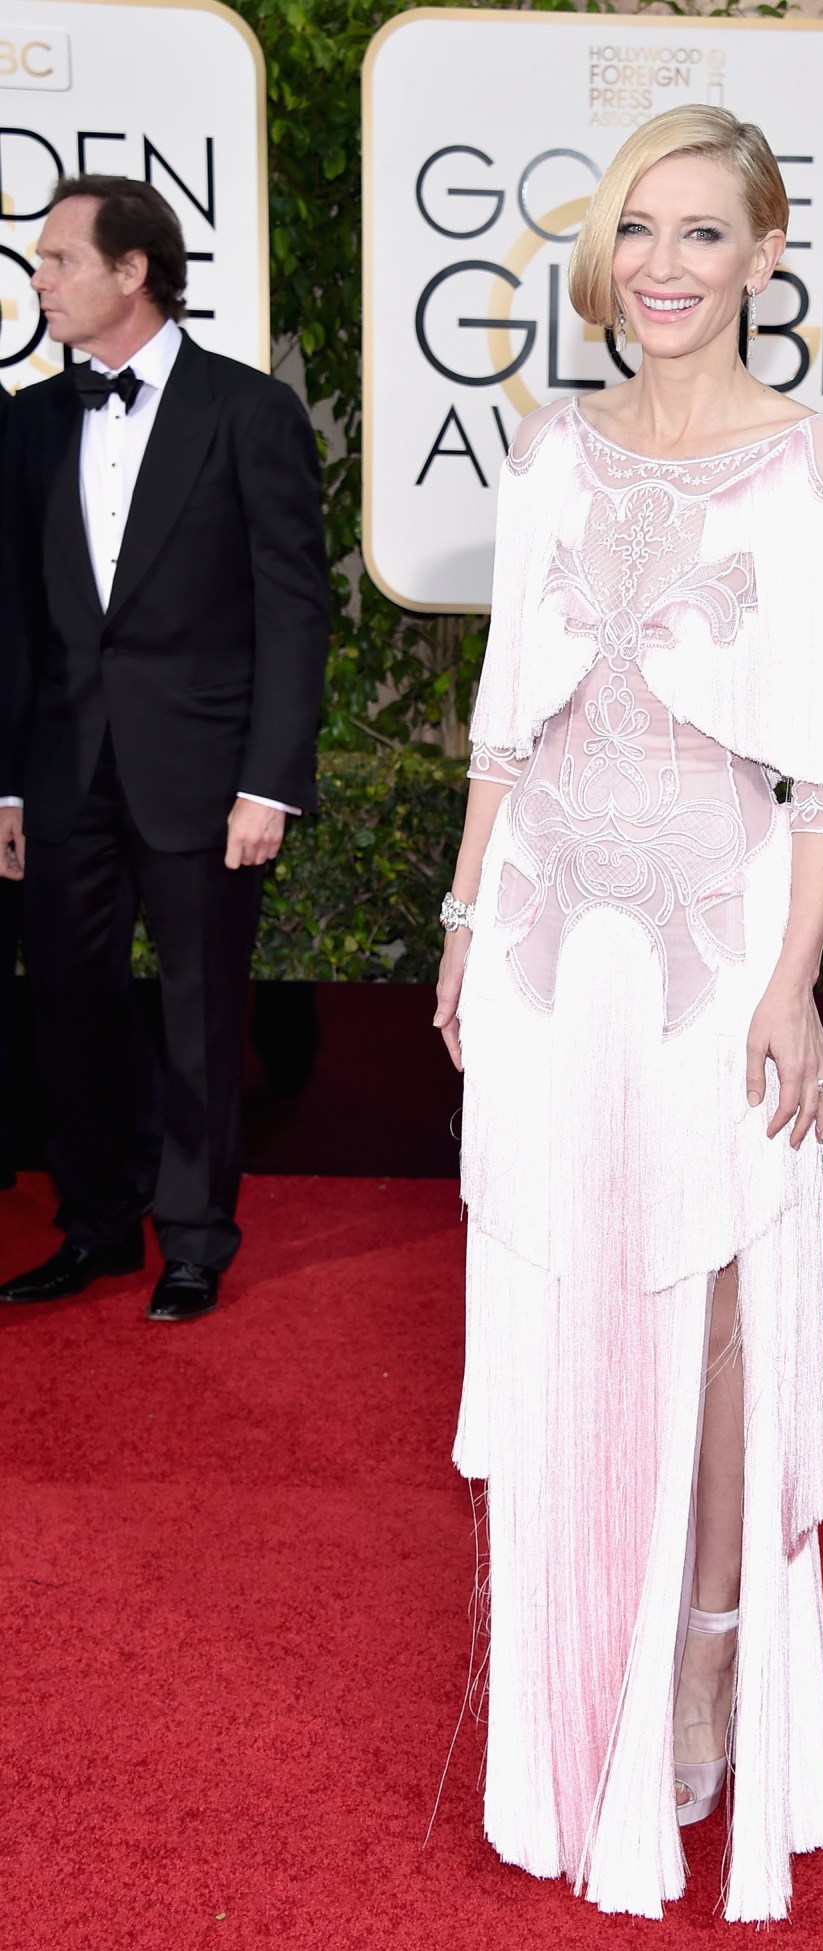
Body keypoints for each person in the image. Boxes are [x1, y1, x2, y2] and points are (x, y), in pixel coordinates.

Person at [431, 107, 823, 1922]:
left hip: (711, 953)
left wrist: (790, 989)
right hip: (549, 944)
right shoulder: (549, 448)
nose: (662, 266)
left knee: (709, 1314)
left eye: (701, 234)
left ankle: (701, 1662)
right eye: (638, 231)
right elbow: (503, 717)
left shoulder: (815, 475)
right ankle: (565, 1706)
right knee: (552, 1295)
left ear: (768, 256)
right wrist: (467, 918)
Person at [0, 176, 327, 1320]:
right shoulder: (28, 422)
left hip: (202, 773)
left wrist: (269, 781)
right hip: (59, 773)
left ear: (132, 271)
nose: (36, 278)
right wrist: (7, 780)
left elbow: (294, 608)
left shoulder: (247, 412)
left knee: (198, 1012)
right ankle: (94, 1222)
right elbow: (13, 615)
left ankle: (193, 1235)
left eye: (57, 259)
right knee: (69, 1006)